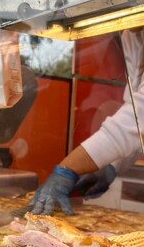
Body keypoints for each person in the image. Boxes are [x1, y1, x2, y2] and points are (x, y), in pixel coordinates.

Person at [31, 27, 144, 215]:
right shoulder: (132, 35)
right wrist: (110, 165)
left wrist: (68, 168)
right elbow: (133, 110)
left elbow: (138, 116)